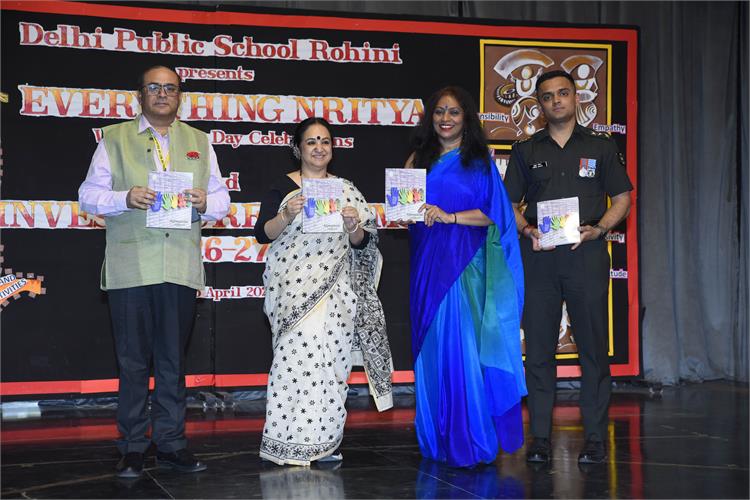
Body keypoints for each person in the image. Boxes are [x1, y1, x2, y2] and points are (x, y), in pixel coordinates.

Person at [78, 65, 230, 478]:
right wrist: (125, 197)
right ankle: (132, 446)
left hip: (179, 265)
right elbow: (87, 196)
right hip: (132, 266)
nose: (162, 94)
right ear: (139, 95)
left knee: (171, 363)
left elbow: (222, 201)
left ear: (180, 96)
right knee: (132, 363)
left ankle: (171, 443)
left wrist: (204, 202)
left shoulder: (199, 141)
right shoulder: (114, 138)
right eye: (154, 88)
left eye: (170, 88)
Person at [503, 69, 633, 465]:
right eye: (547, 96)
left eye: (563, 93)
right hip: (540, 257)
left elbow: (623, 198)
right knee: (539, 350)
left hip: (586, 255)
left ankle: (595, 438)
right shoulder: (526, 149)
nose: (556, 101)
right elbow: (508, 204)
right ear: (539, 105)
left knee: (593, 349)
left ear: (576, 98)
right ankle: (540, 438)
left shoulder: (601, 145)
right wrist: (527, 230)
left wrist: (600, 229)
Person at [254, 117, 393, 466]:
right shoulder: (284, 188)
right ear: (297, 148)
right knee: (293, 363)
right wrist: (286, 215)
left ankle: (324, 443)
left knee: (331, 364)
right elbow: (263, 233)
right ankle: (285, 443)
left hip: (337, 293)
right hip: (293, 290)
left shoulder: (345, 190)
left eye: (325, 141)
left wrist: (353, 226)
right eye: (311, 141)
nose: (319, 148)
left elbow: (364, 244)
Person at [405, 86, 527, 468]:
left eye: (454, 112)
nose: (446, 118)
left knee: (462, 348)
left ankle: (469, 439)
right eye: (439, 111)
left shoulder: (479, 161)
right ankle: (436, 439)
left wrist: (450, 216)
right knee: (431, 347)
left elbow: (494, 214)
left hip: (465, 266)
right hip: (427, 264)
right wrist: (409, 211)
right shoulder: (417, 160)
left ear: (466, 118)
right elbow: (402, 207)